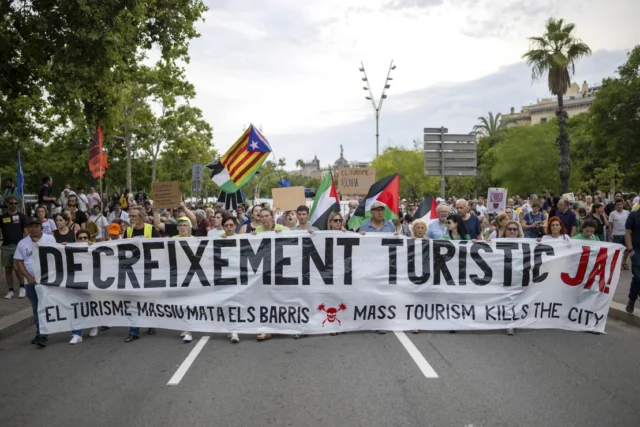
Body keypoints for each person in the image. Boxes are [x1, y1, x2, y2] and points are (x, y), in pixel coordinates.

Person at [14, 217, 57, 347]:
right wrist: (28, 277)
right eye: (31, 226)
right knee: (36, 308)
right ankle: (40, 333)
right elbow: (19, 262)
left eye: (36, 226)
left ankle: (43, 334)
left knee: (44, 307)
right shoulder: (22, 243)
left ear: (41, 227)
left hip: (46, 281)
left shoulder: (49, 239)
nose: (34, 228)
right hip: (31, 282)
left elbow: (56, 257)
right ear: (27, 228)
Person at [125, 207, 159, 342]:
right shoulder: (128, 231)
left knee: (148, 299)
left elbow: (159, 247)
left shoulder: (151, 229)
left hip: (148, 269)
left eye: (133, 216)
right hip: (133, 271)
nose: (131, 218)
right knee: (133, 300)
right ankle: (134, 331)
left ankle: (151, 323)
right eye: (130, 216)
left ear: (141, 217)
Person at [68, 229, 99, 344]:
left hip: (91, 282)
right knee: (76, 307)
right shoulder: (70, 249)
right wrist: (62, 247)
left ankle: (94, 325)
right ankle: (77, 333)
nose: (82, 240)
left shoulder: (93, 248)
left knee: (91, 306)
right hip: (76, 282)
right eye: (80, 238)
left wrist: (94, 246)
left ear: (89, 239)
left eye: (85, 238)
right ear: (76, 239)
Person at [1, 196, 27, 299]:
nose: (13, 205)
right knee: (8, 269)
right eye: (11, 203)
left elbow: (26, 231)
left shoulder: (21, 216)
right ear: (6, 204)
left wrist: (26, 244)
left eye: (15, 203)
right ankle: (10, 290)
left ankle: (22, 287)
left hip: (18, 246)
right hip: (6, 246)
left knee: (17, 268)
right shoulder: (2, 217)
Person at [625, 208, 640, 313]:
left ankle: (632, 299)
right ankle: (632, 299)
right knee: (638, 276)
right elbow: (628, 233)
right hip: (636, 250)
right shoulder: (633, 215)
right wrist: (630, 250)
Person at [610, 199, 630, 269]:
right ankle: (616, 264)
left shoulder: (627, 212)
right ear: (615, 206)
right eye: (617, 205)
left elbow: (630, 223)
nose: (619, 206)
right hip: (616, 234)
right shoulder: (613, 214)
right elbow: (610, 224)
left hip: (625, 234)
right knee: (617, 250)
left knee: (627, 250)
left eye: (620, 204)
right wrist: (611, 233)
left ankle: (624, 262)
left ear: (623, 204)